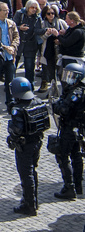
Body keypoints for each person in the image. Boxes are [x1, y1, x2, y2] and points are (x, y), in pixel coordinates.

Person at [7, 75, 51, 215]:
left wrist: (11, 136)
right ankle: (33, 201)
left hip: (24, 146)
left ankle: (29, 204)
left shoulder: (18, 109)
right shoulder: (38, 101)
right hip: (37, 142)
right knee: (32, 171)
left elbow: (17, 129)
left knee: (26, 174)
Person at [52, 59, 85, 199]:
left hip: (70, 128)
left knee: (62, 155)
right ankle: (78, 185)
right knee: (76, 155)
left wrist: (56, 105)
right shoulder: (77, 89)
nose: (68, 78)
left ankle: (69, 187)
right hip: (77, 129)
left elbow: (63, 109)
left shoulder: (75, 93)